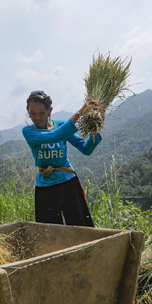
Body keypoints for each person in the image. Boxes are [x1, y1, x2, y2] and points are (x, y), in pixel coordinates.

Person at [22, 90, 101, 227]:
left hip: (69, 182)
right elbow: (54, 136)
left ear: (49, 111)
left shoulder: (61, 125)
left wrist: (96, 127)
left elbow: (86, 149)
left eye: (41, 112)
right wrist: (81, 111)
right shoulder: (29, 132)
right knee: (50, 233)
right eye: (32, 113)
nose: (37, 117)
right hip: (45, 187)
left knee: (81, 227)